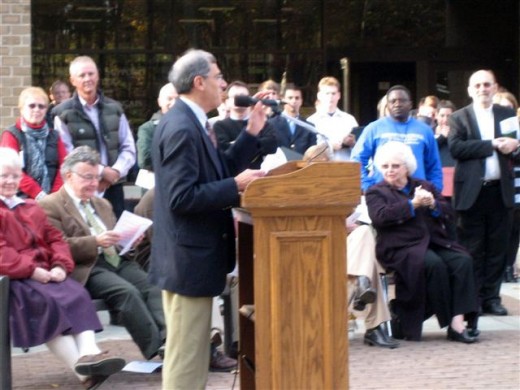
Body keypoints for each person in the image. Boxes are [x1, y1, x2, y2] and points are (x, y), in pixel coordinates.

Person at [149, 49, 267, 389]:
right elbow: (181, 197)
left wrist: (250, 134)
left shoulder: (194, 122)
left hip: (192, 259)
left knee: (192, 354)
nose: (224, 84)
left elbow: (217, 172)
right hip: (188, 261)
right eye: (218, 77)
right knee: (186, 358)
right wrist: (236, 185)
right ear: (199, 82)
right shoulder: (182, 128)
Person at [0, 147, 125, 390]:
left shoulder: (29, 207)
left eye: (15, 175)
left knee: (76, 293)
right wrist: (32, 270)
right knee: (46, 306)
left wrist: (60, 265)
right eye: (4, 175)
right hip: (15, 280)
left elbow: (55, 239)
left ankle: (91, 354)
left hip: (47, 272)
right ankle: (84, 371)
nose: (10, 181)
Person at [39, 146, 166, 361]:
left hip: (117, 260)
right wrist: (94, 241)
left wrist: (130, 241)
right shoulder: (49, 205)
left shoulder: (102, 203)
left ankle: (169, 340)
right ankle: (157, 348)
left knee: (152, 285)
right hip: (87, 266)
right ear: (69, 176)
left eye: (96, 178)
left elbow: (116, 238)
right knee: (126, 293)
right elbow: (57, 246)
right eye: (88, 178)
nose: (94, 184)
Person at [366, 141, 479, 343]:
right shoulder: (376, 191)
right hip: (400, 246)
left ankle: (457, 322)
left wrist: (433, 204)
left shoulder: (424, 185)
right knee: (434, 265)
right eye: (385, 166)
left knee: (463, 261)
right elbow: (380, 217)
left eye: (395, 166)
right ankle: (449, 323)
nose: (390, 171)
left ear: (406, 167)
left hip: (433, 242)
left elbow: (448, 213)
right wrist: (412, 205)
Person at [132, 187, 238, 372]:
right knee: (200, 276)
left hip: (187, 258)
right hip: (159, 262)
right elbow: (165, 245)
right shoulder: (157, 199)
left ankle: (239, 343)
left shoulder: (192, 193)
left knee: (237, 280)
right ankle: (209, 347)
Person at [449, 70, 519, 317]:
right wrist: (491, 144)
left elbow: (514, 148)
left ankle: (492, 298)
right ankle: (474, 299)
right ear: (469, 90)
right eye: (477, 85)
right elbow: (456, 148)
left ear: (495, 87)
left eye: (487, 84)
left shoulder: (507, 114)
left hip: (500, 191)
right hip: (472, 192)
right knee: (473, 248)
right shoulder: (459, 117)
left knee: (498, 249)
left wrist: (514, 145)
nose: (482, 89)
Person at [52, 55, 136, 219]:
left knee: (116, 239)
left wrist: (116, 172)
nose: (87, 78)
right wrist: (101, 172)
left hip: (113, 187)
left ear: (97, 75)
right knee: (88, 237)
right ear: (73, 80)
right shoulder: (62, 113)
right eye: (82, 75)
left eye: (91, 74)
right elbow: (67, 154)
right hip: (81, 188)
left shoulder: (115, 109)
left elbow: (128, 147)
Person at [351, 85, 443, 192]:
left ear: (410, 104)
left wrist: (434, 190)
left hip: (417, 193)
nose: (397, 104)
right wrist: (368, 186)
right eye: (393, 101)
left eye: (402, 101)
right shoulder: (373, 128)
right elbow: (357, 159)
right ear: (387, 105)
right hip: (383, 195)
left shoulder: (425, 130)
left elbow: (434, 166)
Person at [1, 86, 67, 200]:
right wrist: (39, 194)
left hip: (53, 199)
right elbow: (10, 170)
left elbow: (64, 167)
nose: (37, 110)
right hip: (19, 199)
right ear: (21, 108)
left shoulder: (55, 136)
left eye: (41, 106)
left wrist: (53, 197)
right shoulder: (11, 134)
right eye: (32, 106)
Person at [213, 80, 278, 169]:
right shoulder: (219, 126)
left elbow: (271, 146)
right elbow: (224, 151)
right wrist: (257, 144)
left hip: (258, 175)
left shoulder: (263, 123)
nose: (240, 100)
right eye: (235, 97)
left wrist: (236, 143)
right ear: (227, 102)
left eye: (243, 97)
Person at [493, 91, 520, 283]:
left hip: (518, 182)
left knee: (515, 229)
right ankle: (499, 268)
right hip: (499, 184)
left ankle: (509, 266)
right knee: (501, 228)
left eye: (508, 106)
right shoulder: (490, 129)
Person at [307, 76, 359, 161]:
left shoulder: (349, 120)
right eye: (327, 93)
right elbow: (310, 151)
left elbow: (360, 148)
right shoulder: (311, 121)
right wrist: (330, 147)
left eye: (333, 93)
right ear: (319, 95)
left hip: (346, 166)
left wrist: (352, 143)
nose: (330, 97)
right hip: (322, 168)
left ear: (339, 95)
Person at [136, 83, 178, 171]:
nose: (174, 103)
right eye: (169, 99)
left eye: (178, 99)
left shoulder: (190, 125)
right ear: (160, 102)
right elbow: (145, 160)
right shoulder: (148, 129)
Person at [268, 83, 317, 155]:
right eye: (290, 98)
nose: (294, 101)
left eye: (297, 98)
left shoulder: (309, 127)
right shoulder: (271, 124)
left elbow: (312, 154)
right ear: (283, 100)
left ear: (301, 101)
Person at [435, 100, 457, 168]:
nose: (445, 120)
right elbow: (428, 150)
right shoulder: (429, 132)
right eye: (442, 115)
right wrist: (442, 137)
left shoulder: (459, 134)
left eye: (448, 116)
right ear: (436, 115)